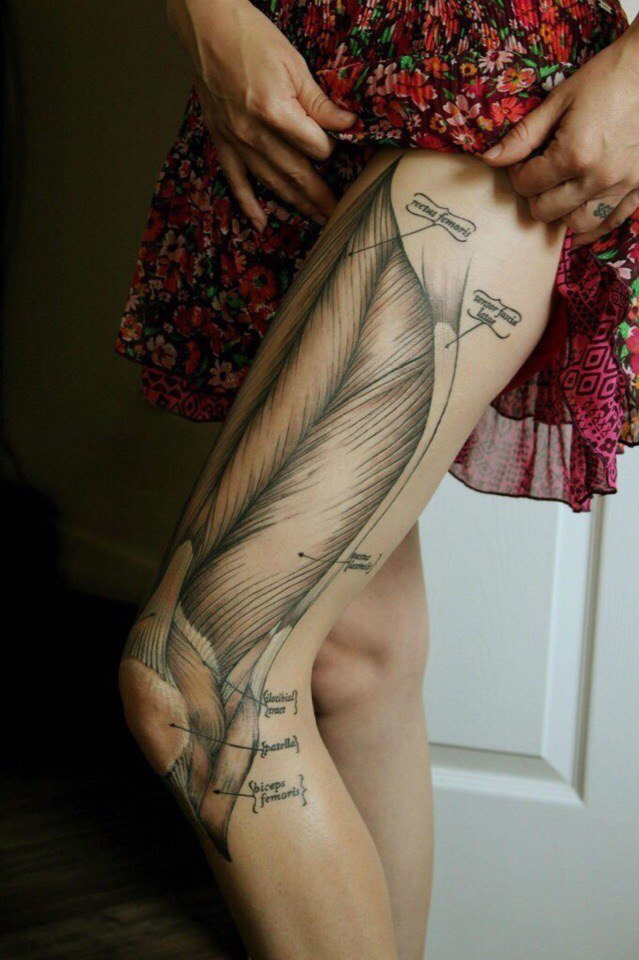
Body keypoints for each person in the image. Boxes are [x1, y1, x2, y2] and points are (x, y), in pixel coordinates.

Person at [116, 1, 639, 957]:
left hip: (482, 108)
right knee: (350, 663)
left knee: (201, 679)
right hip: (288, 108)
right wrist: (208, 19)